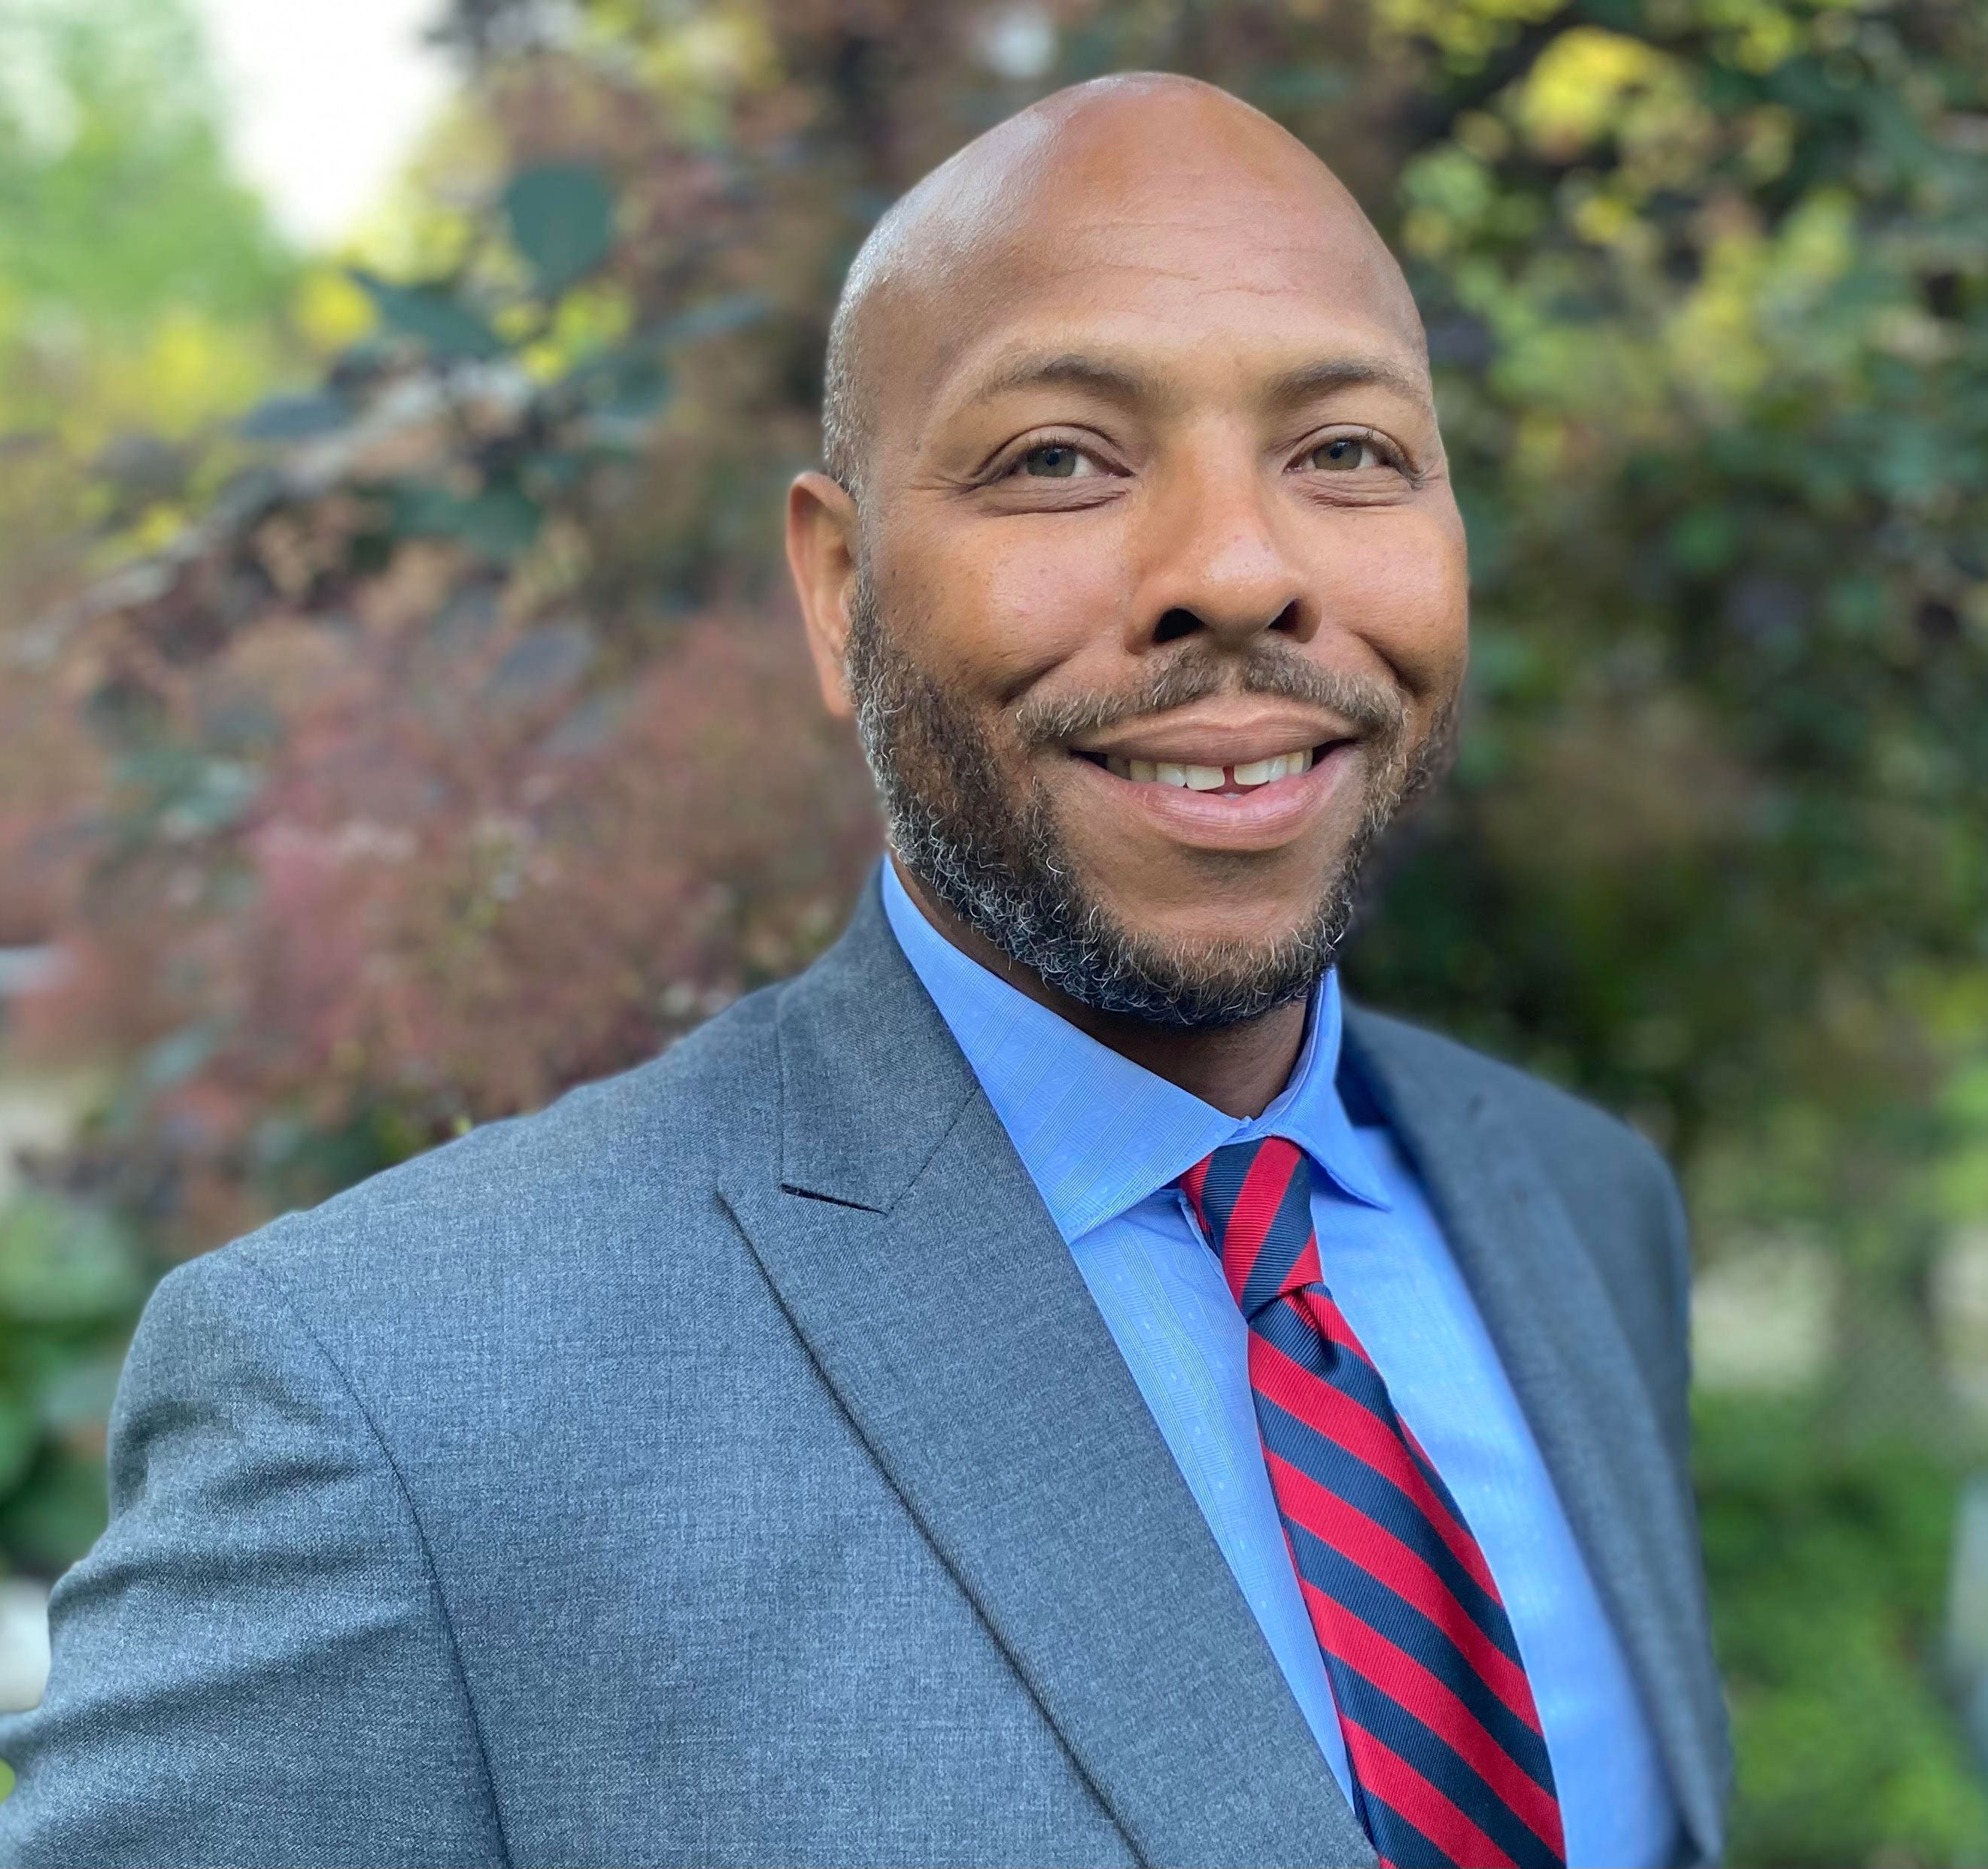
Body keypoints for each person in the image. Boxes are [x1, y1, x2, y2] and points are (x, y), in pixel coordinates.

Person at [0, 74, 1728, 1869]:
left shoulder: (1581, 1214)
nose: (1234, 568)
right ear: (837, 592)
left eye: (1346, 453)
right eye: (1058, 456)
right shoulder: (381, 1399)